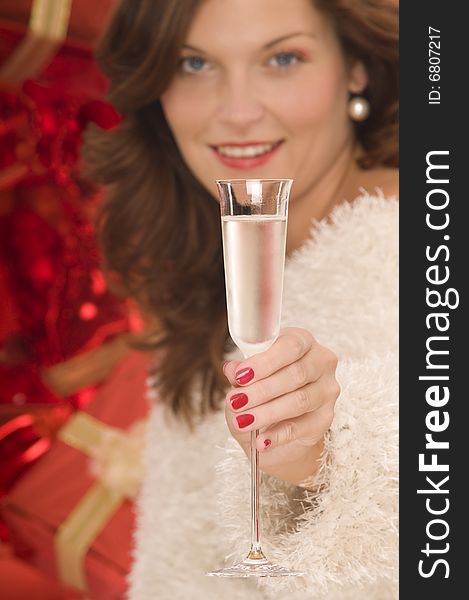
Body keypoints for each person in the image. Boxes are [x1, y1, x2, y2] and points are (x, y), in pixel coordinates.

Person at [85, 0, 398, 598]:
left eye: (283, 58)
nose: (237, 111)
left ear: (356, 67)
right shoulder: (213, 265)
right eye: (194, 65)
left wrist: (328, 454)